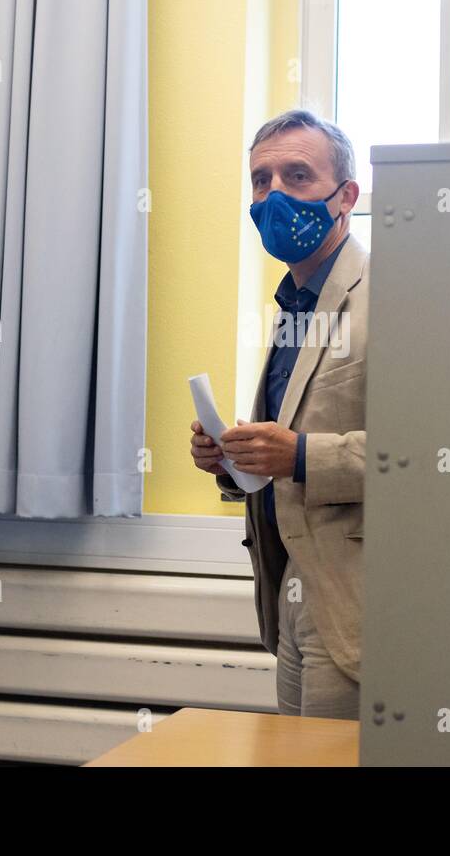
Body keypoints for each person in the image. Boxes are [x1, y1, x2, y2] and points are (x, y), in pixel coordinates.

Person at [189, 109, 368, 720]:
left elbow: (434, 453)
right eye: (261, 181)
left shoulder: (392, 294)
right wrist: (233, 459)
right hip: (286, 582)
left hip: (354, 598)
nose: (275, 196)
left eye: (297, 175)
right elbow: (288, 449)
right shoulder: (295, 303)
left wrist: (296, 454)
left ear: (346, 196)